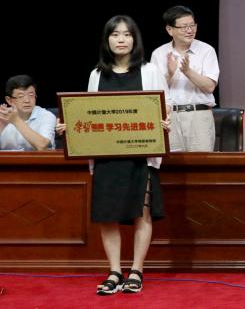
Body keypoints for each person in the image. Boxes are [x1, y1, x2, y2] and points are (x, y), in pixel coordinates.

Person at [86, 15, 170, 295]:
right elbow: (87, 112)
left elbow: (164, 104)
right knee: (107, 214)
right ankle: (114, 271)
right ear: (107, 40)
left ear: (135, 39)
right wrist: (72, 127)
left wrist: (164, 120)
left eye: (126, 34)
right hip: (107, 153)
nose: (121, 40)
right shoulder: (97, 74)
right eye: (115, 34)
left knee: (141, 212)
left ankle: (136, 270)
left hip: (140, 153)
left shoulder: (149, 70)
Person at [150, 6, 219, 152]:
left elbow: (210, 87)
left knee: (200, 163)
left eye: (192, 25)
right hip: (169, 118)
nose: (190, 30)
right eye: (184, 27)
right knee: (171, 163)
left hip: (199, 116)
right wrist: (169, 74)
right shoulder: (159, 54)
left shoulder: (207, 50)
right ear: (170, 30)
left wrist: (188, 71)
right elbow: (154, 93)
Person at [0, 74, 57, 151]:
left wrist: (16, 121)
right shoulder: (1, 115)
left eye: (31, 95)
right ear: (9, 100)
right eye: (21, 96)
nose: (27, 100)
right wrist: (0, 126)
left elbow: (43, 146)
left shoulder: (47, 116)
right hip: (9, 160)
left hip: (38, 160)